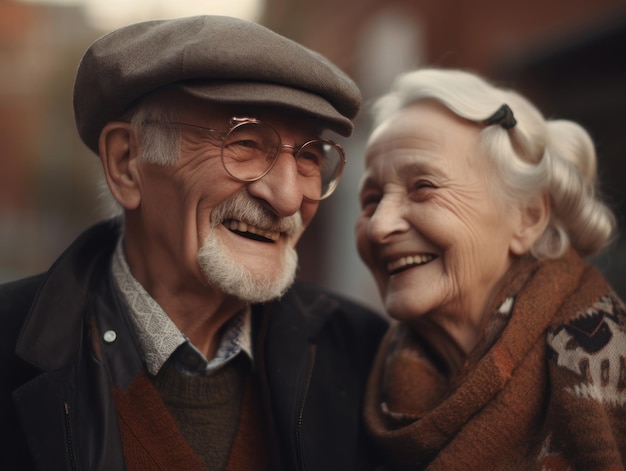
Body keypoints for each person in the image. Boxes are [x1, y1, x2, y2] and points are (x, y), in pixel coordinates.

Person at [0, 15, 388, 471]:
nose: (288, 198)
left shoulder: (365, 355)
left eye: (309, 158)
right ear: (127, 162)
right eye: (245, 143)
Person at [355, 68, 626, 470]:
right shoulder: (346, 370)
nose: (380, 226)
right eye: (372, 199)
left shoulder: (612, 359)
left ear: (527, 218)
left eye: (423, 186)